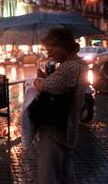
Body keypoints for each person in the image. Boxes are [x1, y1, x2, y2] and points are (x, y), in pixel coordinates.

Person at [33, 26, 88, 184]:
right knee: (65, 174)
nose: (48, 54)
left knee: (48, 176)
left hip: (55, 129)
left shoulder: (69, 67)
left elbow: (45, 86)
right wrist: (47, 77)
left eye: (50, 50)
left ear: (62, 45)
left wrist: (37, 80)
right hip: (68, 127)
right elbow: (59, 85)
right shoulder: (78, 64)